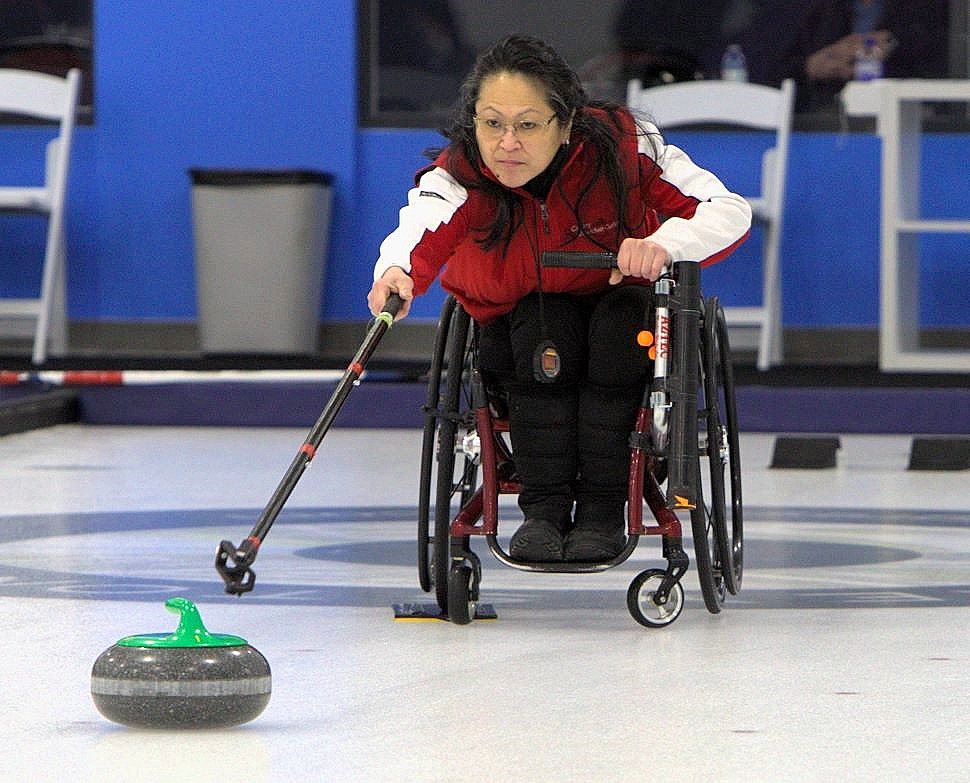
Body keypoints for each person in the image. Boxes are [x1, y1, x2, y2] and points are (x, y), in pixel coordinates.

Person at [368, 35, 751, 562]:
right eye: (492, 123)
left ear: (566, 123)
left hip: (617, 304)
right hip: (519, 322)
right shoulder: (461, 175)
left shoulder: (625, 145)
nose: (507, 143)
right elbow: (421, 227)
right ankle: (543, 510)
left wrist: (663, 245)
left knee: (619, 337)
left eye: (527, 125)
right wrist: (397, 271)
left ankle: (600, 509)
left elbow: (727, 210)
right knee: (541, 339)